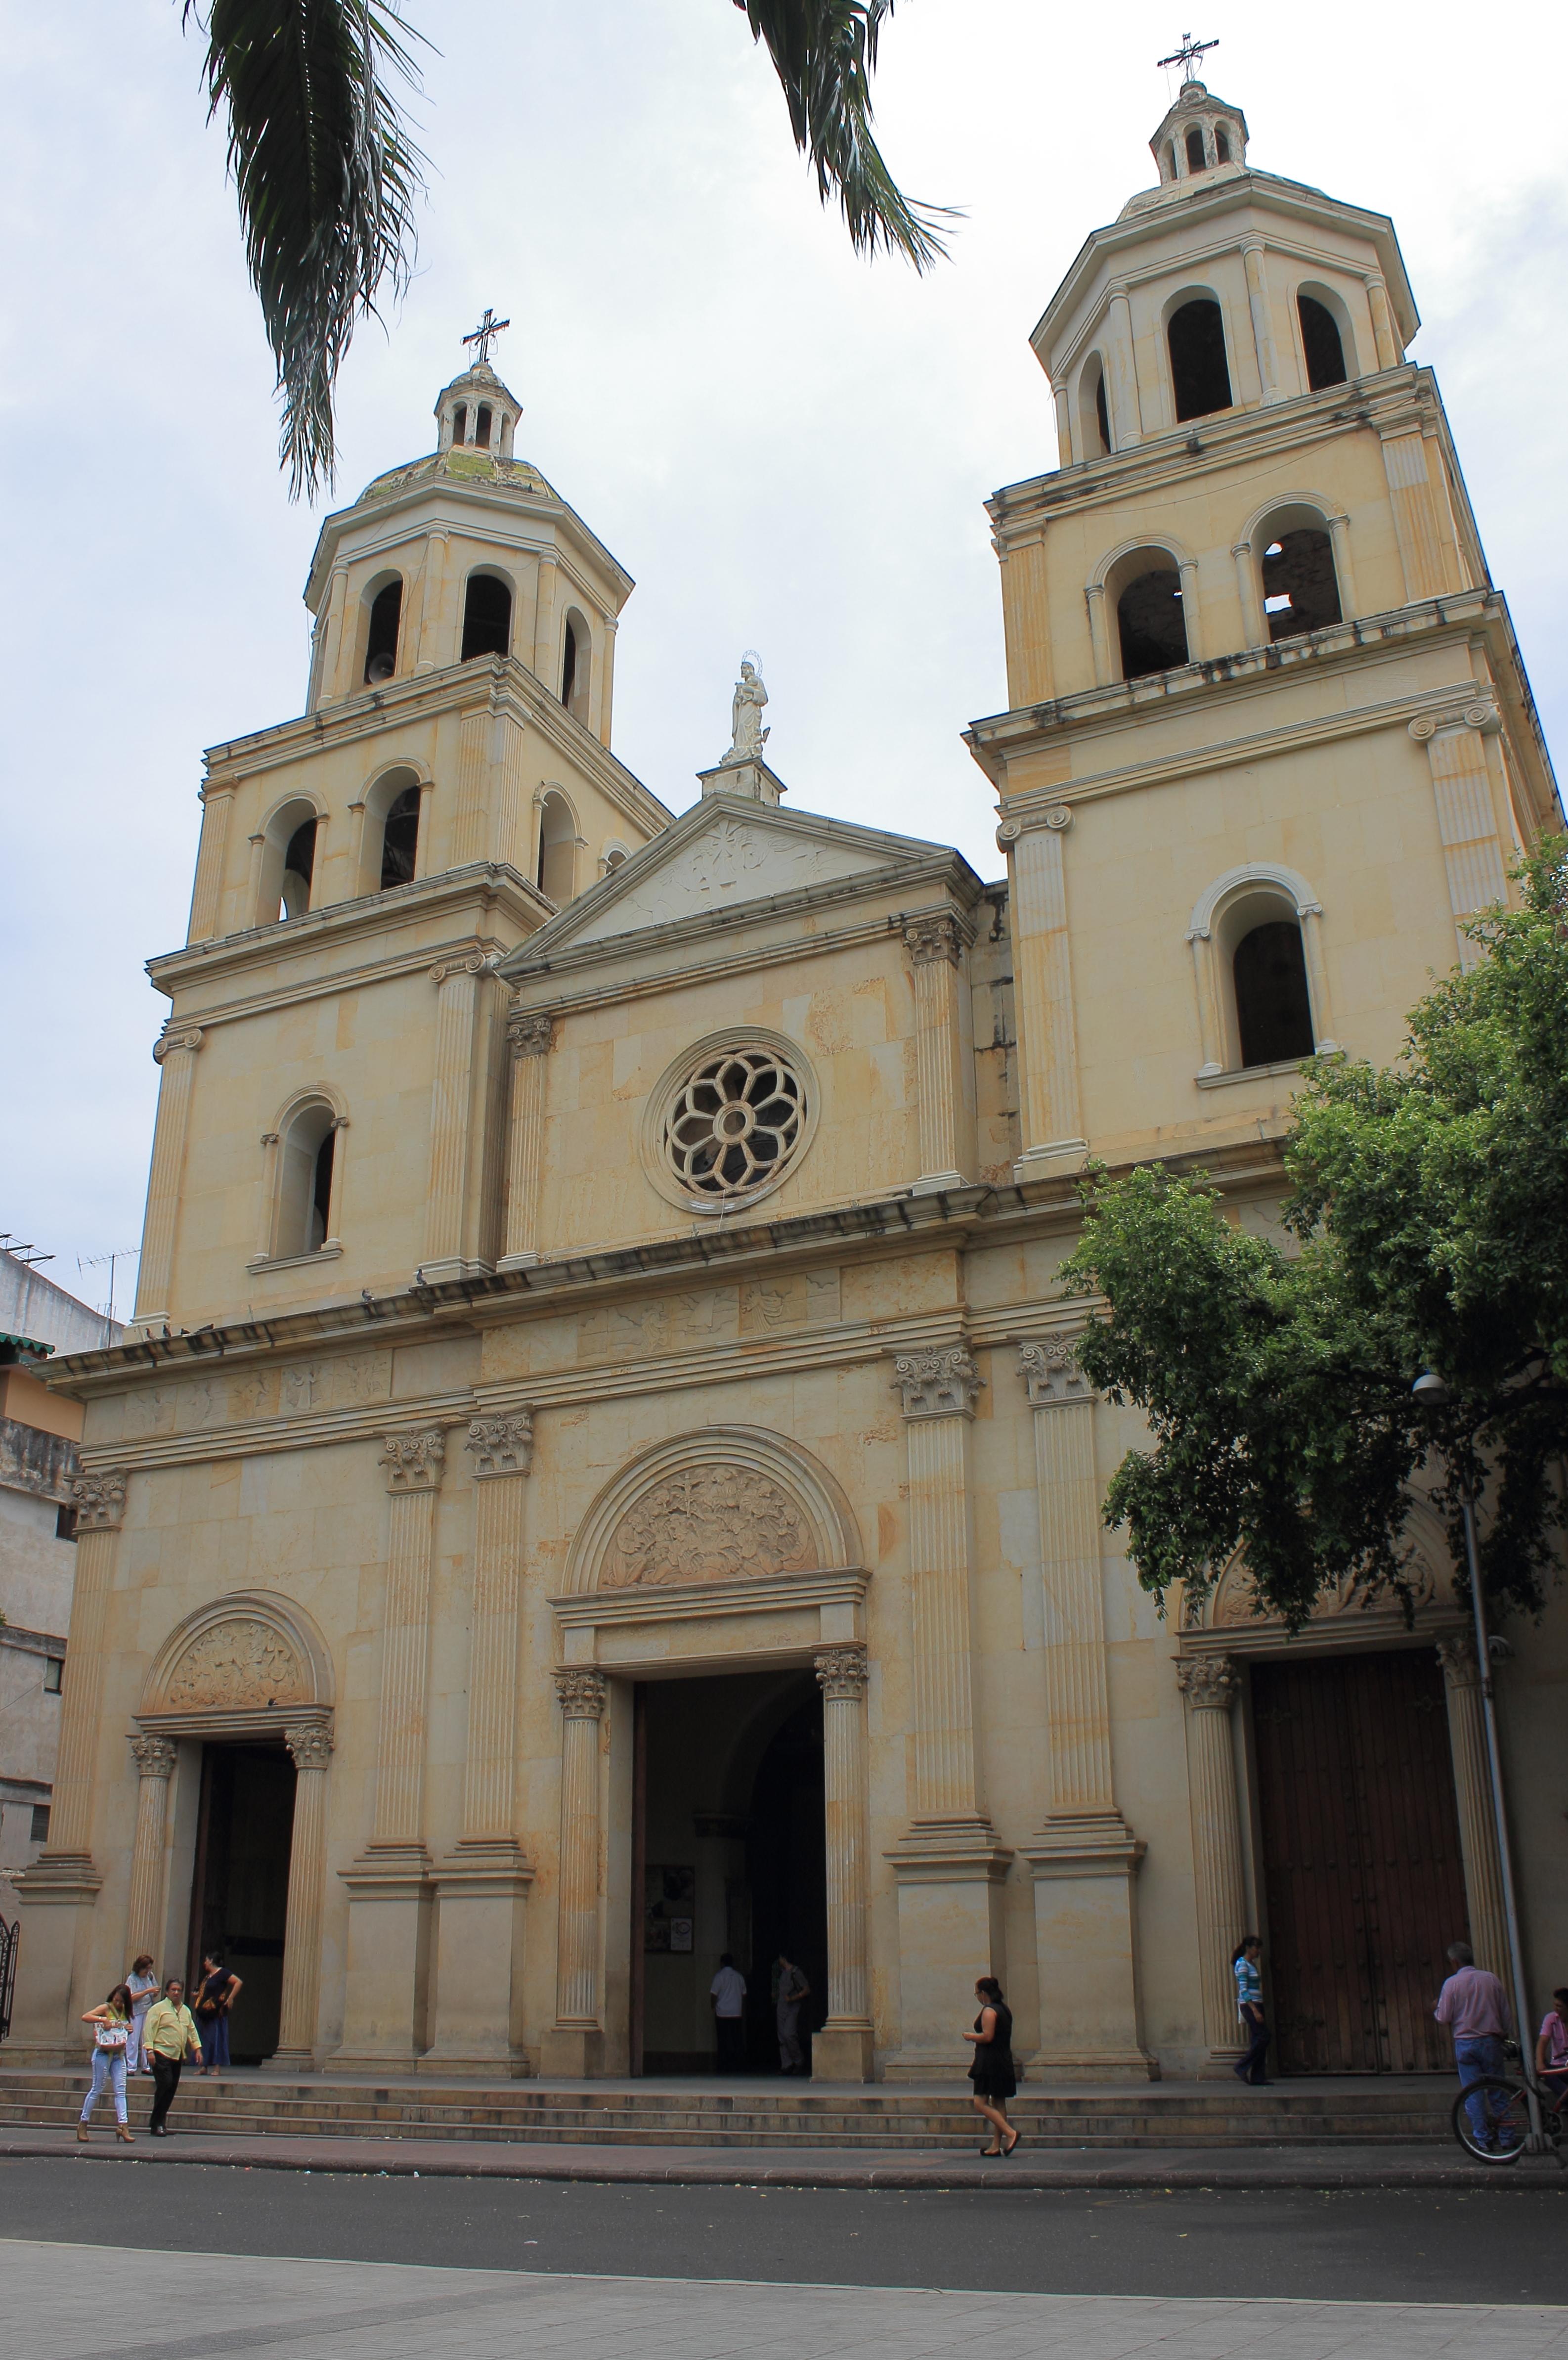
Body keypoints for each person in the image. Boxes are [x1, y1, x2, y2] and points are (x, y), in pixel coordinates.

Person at [1435, 1941, 1511, 2145]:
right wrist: (1504, 2032)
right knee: (1498, 2090)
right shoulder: (1491, 1979)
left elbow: (1443, 2017)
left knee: (1472, 2093)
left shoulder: (1452, 1984)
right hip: (1491, 2042)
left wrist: (1436, 2009)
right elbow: (1505, 2012)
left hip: (1466, 2043)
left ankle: (1483, 2139)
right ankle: (1507, 2137)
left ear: (1454, 1962)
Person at [964, 1975, 1019, 2156]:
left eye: (977, 1994)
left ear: (984, 1993)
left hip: (989, 2063)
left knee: (980, 2102)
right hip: (1003, 2060)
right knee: (999, 2101)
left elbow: (988, 2036)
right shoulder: (1005, 2009)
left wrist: (971, 2036)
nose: (977, 1997)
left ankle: (1010, 2133)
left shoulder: (989, 2011)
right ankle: (996, 2145)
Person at [142, 1977, 203, 2137]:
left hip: (177, 2055)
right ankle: (157, 2123)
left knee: (171, 2088)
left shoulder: (185, 2010)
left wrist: (197, 2048)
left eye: (179, 1990)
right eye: (173, 1990)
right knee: (165, 2084)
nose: (176, 1993)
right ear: (167, 1992)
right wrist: (149, 2050)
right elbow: (149, 2029)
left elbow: (191, 2030)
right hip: (161, 2052)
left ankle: (160, 2122)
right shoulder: (158, 2009)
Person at [78, 1984, 135, 2143]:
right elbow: (86, 2017)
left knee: (121, 2090)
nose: (118, 2004)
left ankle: (123, 2125)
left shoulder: (126, 2012)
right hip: (103, 2053)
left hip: (118, 2054)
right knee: (97, 2088)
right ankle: (83, 2123)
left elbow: (123, 2031)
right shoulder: (106, 2008)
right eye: (116, 2000)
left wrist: (128, 2029)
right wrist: (103, 2019)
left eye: (121, 2002)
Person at [193, 1952, 242, 2073]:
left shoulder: (222, 1973)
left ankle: (217, 2067)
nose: (204, 1963)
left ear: (211, 1961)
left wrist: (230, 1999)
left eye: (206, 1960)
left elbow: (238, 1982)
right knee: (204, 2038)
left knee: (216, 2038)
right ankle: (204, 2066)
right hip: (204, 2011)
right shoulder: (207, 1976)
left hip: (215, 2011)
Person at [1232, 1936, 1270, 2086]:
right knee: (1264, 2036)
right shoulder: (1242, 1964)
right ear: (1248, 1948)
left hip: (1256, 2004)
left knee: (1258, 2038)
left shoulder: (1251, 1964)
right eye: (1256, 1948)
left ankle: (1258, 2076)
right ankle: (1242, 2066)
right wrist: (1255, 2010)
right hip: (1250, 2005)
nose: (1259, 1951)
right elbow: (1243, 1989)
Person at [709, 1952, 747, 2074]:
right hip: (736, 2013)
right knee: (737, 2041)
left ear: (722, 1963)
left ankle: (723, 2066)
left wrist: (713, 2007)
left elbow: (713, 1994)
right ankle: (739, 2066)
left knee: (723, 2041)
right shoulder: (739, 1977)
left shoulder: (719, 1976)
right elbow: (744, 1995)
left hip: (722, 2013)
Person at [774, 1951, 810, 2075]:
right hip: (782, 2007)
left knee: (789, 2034)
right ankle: (787, 2064)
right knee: (782, 2038)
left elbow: (806, 1990)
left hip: (793, 2007)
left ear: (784, 1958)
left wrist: (793, 1998)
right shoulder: (781, 1973)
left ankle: (798, 2060)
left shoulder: (796, 1973)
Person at [124, 1953, 159, 2075]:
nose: (148, 1971)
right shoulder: (132, 1979)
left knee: (146, 2038)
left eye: (150, 1968)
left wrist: (154, 1992)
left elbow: (155, 1989)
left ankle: (146, 2065)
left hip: (148, 2010)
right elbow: (131, 1997)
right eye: (146, 1969)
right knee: (134, 2039)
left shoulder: (150, 1976)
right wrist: (147, 1991)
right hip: (136, 2011)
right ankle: (131, 2066)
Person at [1535, 1986, 1568, 2109]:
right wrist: (1539, 2062)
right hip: (1557, 2067)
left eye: (1560, 2007)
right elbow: (1543, 2041)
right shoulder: (1551, 2019)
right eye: (1555, 2005)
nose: (1556, 2010)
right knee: (1546, 2074)